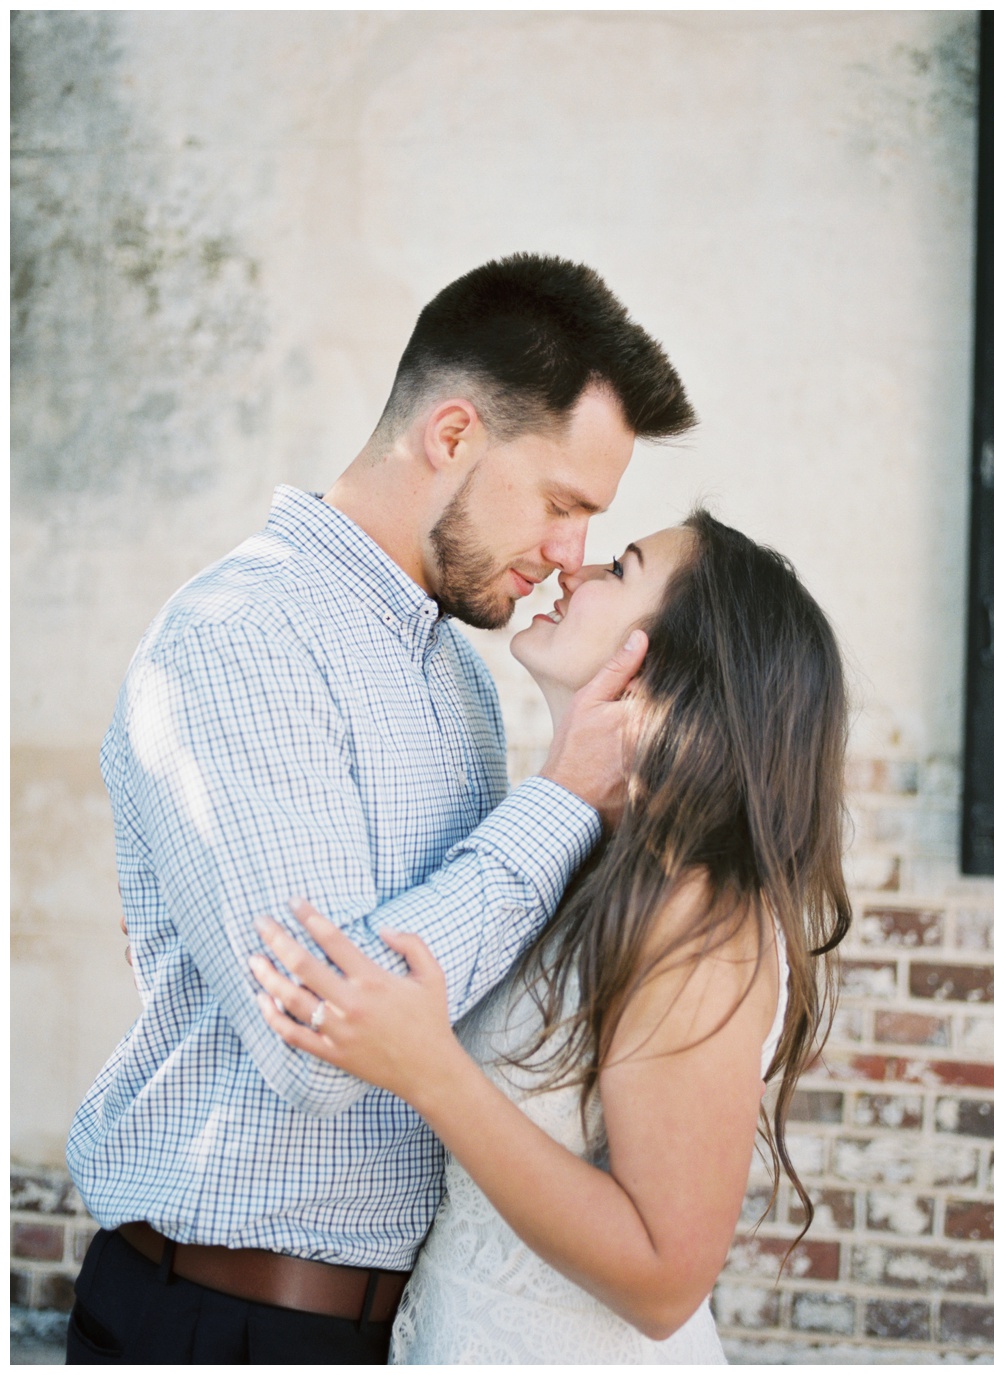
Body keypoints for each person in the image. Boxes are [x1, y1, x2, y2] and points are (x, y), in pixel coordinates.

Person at [63, 254, 697, 1364]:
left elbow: (450, 991)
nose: (569, 556)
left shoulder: (451, 667)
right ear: (451, 436)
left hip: (400, 1329)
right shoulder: (244, 635)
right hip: (225, 1322)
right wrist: (557, 803)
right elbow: (321, 1039)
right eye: (561, 504)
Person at [246, 510, 849, 1361]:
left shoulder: (698, 912)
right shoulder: (574, 857)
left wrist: (433, 1072)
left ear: (676, 664)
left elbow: (665, 1278)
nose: (576, 569)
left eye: (622, 567)